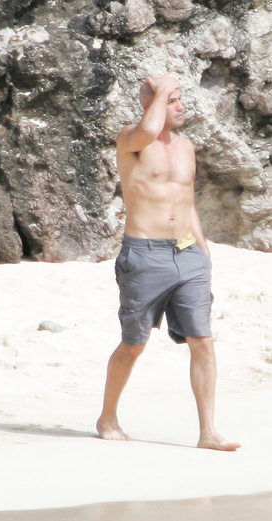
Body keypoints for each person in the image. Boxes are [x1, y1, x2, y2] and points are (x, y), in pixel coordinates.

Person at [96, 75, 240, 450]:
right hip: (145, 255)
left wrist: (203, 252)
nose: (180, 105)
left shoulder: (186, 146)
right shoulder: (132, 140)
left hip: (188, 254)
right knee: (134, 344)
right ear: (152, 105)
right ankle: (107, 417)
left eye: (179, 98)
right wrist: (160, 90)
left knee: (203, 340)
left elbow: (187, 202)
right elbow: (148, 129)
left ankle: (208, 432)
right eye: (172, 99)